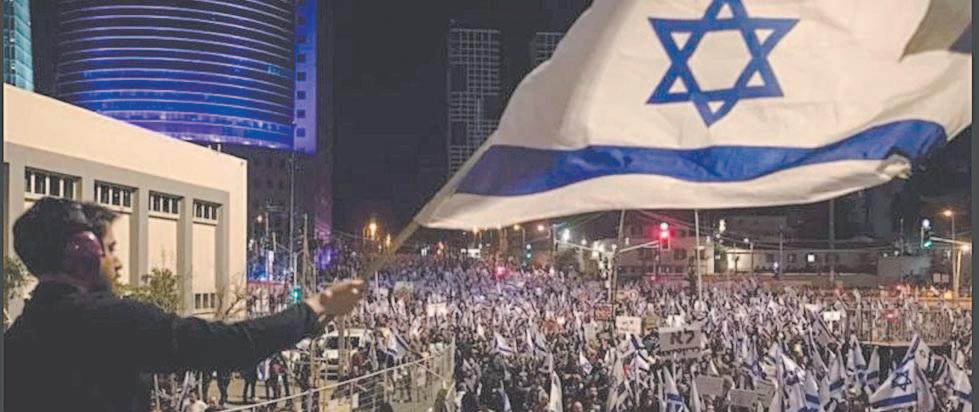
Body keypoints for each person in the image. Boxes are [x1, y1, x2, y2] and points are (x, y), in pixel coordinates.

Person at [4, 198, 366, 412]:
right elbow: (228, 345)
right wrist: (318, 306)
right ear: (84, 255)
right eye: (109, 249)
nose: (118, 262)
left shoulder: (17, 337)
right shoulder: (111, 320)